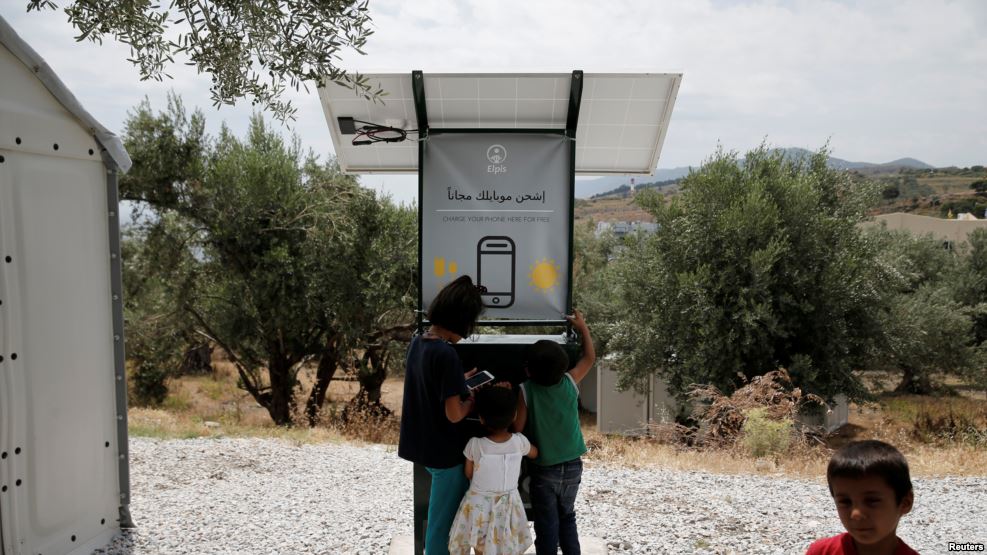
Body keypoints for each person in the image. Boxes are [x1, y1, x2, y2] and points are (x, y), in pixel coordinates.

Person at [398, 275, 485, 555]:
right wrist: (471, 398)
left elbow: (428, 382)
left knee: (438, 519)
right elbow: (454, 415)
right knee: (442, 526)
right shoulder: (448, 355)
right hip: (445, 454)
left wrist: (456, 380)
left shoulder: (419, 342)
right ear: (462, 320)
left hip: (422, 445)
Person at [513, 309, 596, 555]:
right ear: (562, 366)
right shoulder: (570, 382)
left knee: (547, 524)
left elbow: (517, 428)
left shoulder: (526, 390)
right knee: (567, 517)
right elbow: (589, 358)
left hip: (544, 469)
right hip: (573, 465)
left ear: (529, 370)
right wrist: (583, 328)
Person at [448, 386, 538, 555]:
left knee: (481, 547)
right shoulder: (519, 442)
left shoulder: (475, 444)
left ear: (481, 418)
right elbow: (534, 453)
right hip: (508, 506)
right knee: (507, 545)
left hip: (479, 506)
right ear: (514, 416)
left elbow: (469, 473)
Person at [806, 440, 917, 555]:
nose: (856, 514)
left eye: (872, 501)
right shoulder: (822, 552)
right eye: (845, 501)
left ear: (905, 503)